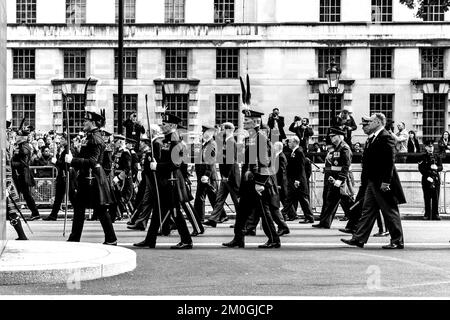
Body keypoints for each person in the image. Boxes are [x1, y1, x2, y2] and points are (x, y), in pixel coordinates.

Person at [341, 113, 406, 249]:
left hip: (382, 181)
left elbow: (389, 162)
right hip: (373, 181)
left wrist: (386, 182)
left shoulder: (385, 137)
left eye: (370, 121)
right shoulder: (373, 138)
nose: (368, 124)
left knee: (389, 211)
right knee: (368, 210)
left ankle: (397, 240)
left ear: (377, 122)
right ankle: (359, 238)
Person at [222, 108, 281, 249]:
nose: (244, 122)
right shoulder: (251, 138)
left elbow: (265, 162)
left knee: (264, 212)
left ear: (256, 122)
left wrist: (260, 182)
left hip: (258, 183)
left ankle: (274, 239)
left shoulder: (260, 137)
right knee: (242, 212)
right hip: (248, 183)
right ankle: (238, 238)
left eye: (247, 120)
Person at [133, 113, 193, 249]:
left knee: (175, 212)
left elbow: (176, 163)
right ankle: (150, 239)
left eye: (165, 124)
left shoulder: (176, 141)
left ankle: (187, 240)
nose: (162, 126)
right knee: (158, 210)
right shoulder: (166, 140)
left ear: (173, 126)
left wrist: (158, 166)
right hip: (165, 181)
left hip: (172, 181)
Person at [64, 109, 117, 245]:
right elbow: (85, 157)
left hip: (92, 179)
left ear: (92, 122)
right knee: (80, 208)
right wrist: (73, 161)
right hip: (87, 178)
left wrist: (73, 161)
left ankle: (111, 238)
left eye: (85, 121)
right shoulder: (90, 136)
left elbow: (93, 161)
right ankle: (75, 237)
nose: (83, 122)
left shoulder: (95, 138)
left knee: (99, 209)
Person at [313, 127, 354, 229]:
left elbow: (346, 166)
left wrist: (340, 180)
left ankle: (356, 222)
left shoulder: (344, 148)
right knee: (331, 202)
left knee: (347, 202)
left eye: (333, 136)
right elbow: (334, 166)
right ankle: (325, 223)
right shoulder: (337, 148)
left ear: (339, 136)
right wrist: (326, 170)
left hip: (340, 180)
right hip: (334, 179)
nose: (331, 138)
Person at [204, 122, 240, 228]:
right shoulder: (226, 141)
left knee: (235, 199)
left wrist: (227, 175)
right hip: (226, 174)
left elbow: (230, 160)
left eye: (222, 128)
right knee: (220, 198)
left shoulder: (231, 141)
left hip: (231, 174)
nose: (220, 130)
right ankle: (213, 219)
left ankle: (241, 221)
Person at [281, 136, 315, 224]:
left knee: (302, 199)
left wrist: (297, 180)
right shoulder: (295, 151)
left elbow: (300, 167)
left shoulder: (299, 152)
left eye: (290, 142)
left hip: (298, 180)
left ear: (295, 142)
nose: (288, 143)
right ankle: (283, 213)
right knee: (290, 198)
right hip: (294, 179)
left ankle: (309, 217)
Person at [43, 135, 77, 221]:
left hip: (67, 176)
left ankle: (78, 215)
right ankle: (53, 215)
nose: (60, 140)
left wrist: (56, 161)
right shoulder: (64, 149)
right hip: (63, 176)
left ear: (67, 140)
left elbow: (67, 164)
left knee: (72, 197)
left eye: (62, 139)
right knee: (58, 197)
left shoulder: (69, 150)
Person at [11, 126, 41, 221]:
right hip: (20, 174)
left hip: (23, 174)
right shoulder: (21, 146)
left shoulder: (24, 147)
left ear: (22, 137)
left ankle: (35, 213)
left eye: (18, 136)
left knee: (26, 195)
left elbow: (23, 163)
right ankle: (13, 212)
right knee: (19, 194)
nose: (16, 137)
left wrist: (11, 163)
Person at [194, 125, 222, 223]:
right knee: (212, 196)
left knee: (200, 197)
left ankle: (198, 218)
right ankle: (221, 216)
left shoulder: (212, 144)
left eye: (204, 132)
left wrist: (206, 174)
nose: (202, 133)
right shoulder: (205, 144)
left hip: (207, 175)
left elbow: (211, 161)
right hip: (203, 174)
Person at [419, 140, 443, 220]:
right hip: (427, 178)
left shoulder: (437, 156)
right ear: (425, 147)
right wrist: (428, 174)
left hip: (435, 179)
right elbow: (421, 168)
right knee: (427, 197)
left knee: (436, 197)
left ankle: (435, 214)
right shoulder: (422, 157)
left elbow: (441, 167)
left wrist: (437, 168)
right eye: (429, 146)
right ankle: (427, 214)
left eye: (432, 146)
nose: (431, 148)